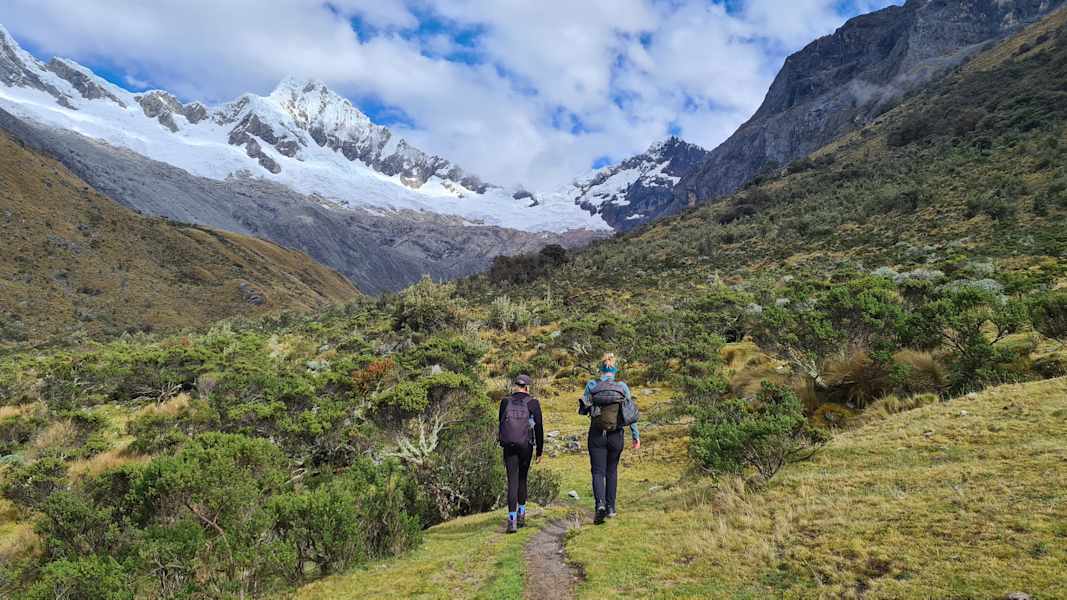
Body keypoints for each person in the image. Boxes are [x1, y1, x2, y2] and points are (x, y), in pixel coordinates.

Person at [579, 353, 639, 525]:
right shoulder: (622, 387)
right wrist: (635, 436)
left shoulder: (592, 385)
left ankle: (600, 505)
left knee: (598, 472)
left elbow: (583, 409)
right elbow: (630, 413)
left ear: (601, 368)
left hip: (597, 434)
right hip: (616, 435)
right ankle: (611, 508)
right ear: (615, 369)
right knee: (612, 471)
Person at [498, 374, 544, 534]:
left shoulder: (505, 402)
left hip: (509, 446)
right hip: (526, 446)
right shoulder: (533, 403)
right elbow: (539, 427)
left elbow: (500, 423)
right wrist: (539, 451)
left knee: (512, 481)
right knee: (522, 478)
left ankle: (511, 521)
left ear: (515, 386)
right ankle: (522, 515)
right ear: (527, 387)